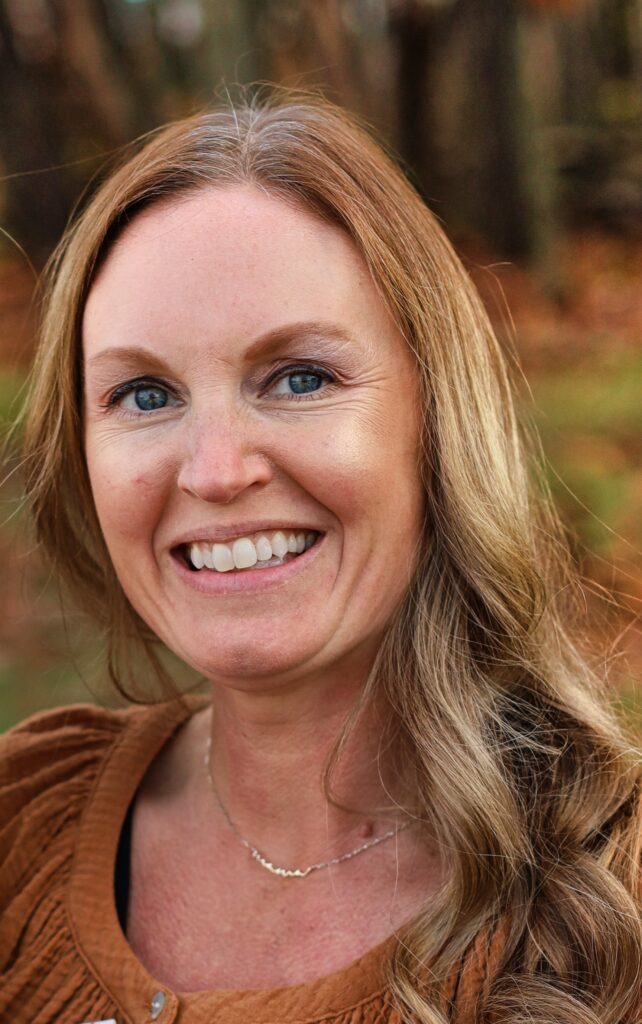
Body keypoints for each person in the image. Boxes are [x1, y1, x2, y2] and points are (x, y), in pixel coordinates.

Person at [0, 90, 640, 1024]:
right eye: (142, 395)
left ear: (435, 419)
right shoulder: (23, 829)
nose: (216, 472)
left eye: (300, 377)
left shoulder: (612, 890)